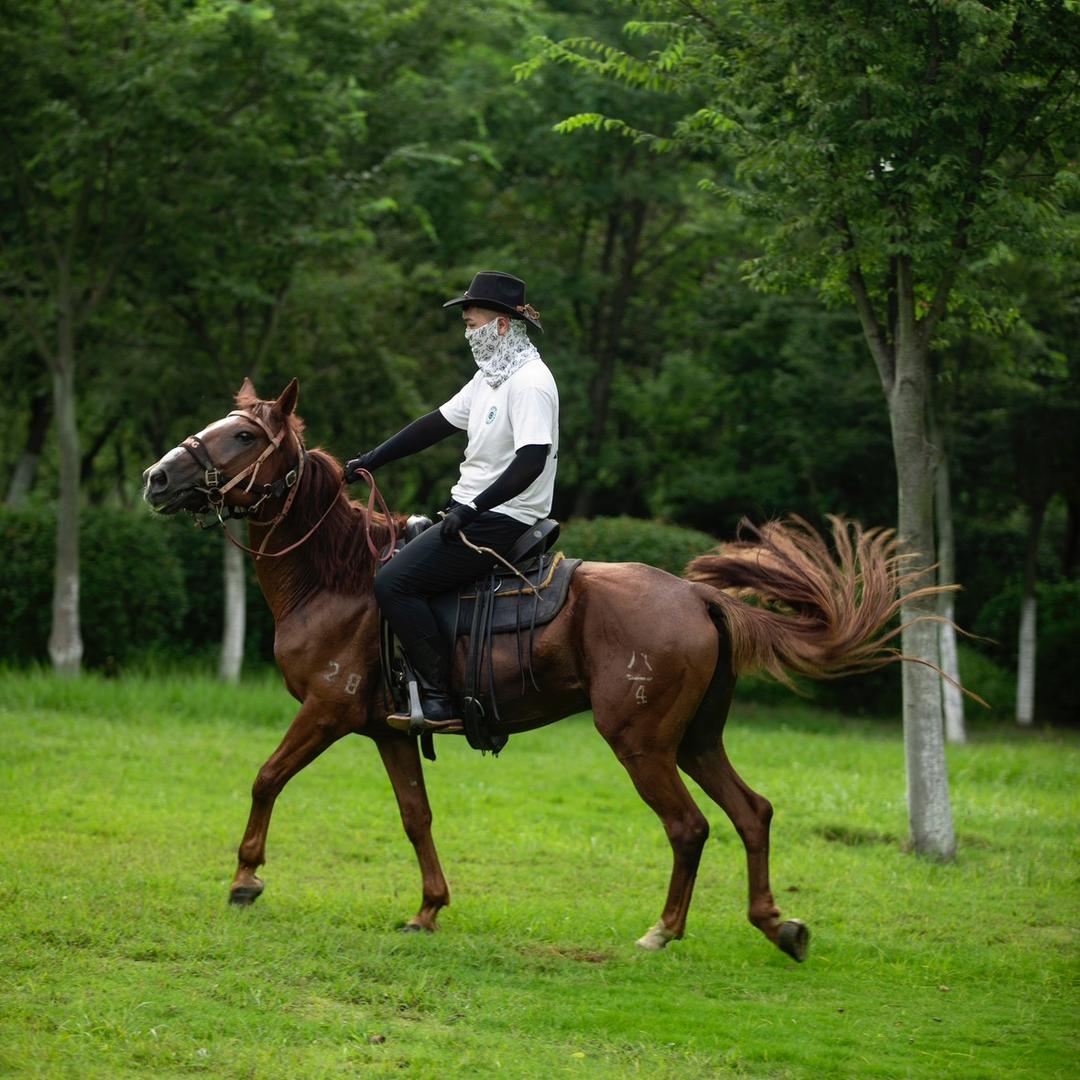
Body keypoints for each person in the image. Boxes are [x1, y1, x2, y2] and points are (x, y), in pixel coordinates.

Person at [344, 271, 559, 722]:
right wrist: (369, 461)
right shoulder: (490, 379)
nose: (467, 333)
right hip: (476, 510)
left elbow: (531, 461)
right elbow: (434, 425)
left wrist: (473, 508)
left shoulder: (531, 382)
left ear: (502, 325)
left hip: (504, 518)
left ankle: (441, 698)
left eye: (472, 323)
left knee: (392, 583)